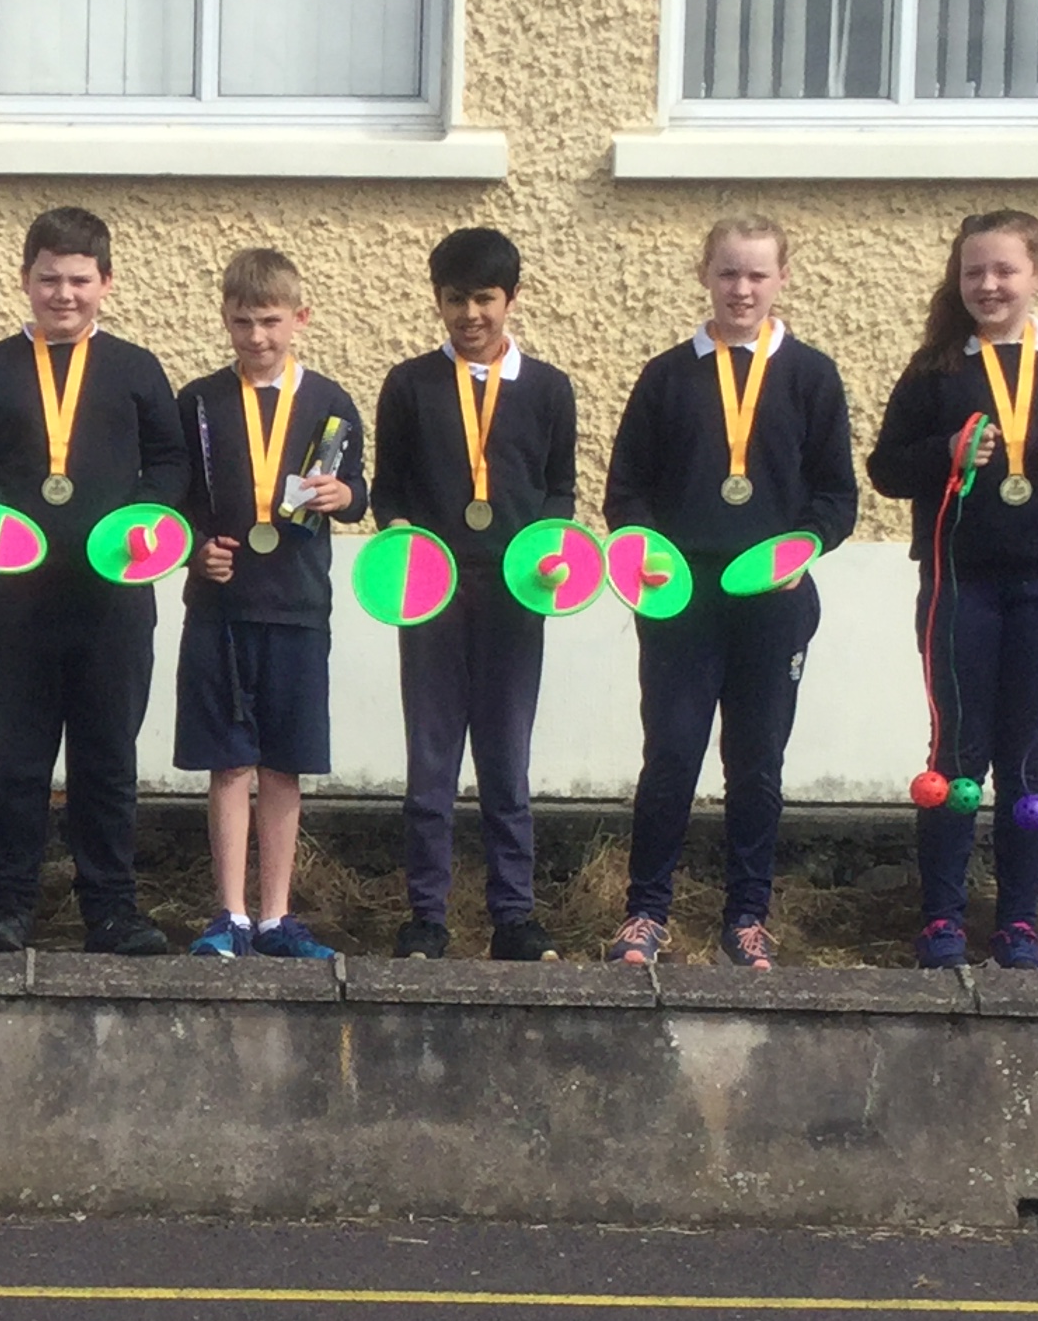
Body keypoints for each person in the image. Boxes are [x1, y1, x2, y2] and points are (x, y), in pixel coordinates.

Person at [601, 215, 860, 970]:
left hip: (773, 604)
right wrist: (644, 550)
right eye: (727, 273)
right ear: (704, 275)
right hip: (680, 604)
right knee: (671, 758)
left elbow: (836, 497)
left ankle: (747, 918)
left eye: (756, 275)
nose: (741, 289)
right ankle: (646, 913)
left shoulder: (811, 376)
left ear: (782, 279)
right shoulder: (666, 377)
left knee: (757, 765)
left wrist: (805, 545)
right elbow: (627, 492)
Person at [0, 205, 188, 955]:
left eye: (79, 280)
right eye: (49, 279)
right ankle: (8, 907)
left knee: (106, 759)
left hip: (113, 599)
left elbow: (171, 463)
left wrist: (144, 520)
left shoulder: (136, 369)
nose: (64, 294)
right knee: (17, 760)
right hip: (14, 601)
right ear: (26, 279)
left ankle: (111, 910)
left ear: (106, 282)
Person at [868, 211, 1038, 970]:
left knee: (1029, 758)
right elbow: (885, 468)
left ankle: (1020, 921)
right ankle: (942, 915)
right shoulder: (935, 368)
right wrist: (943, 451)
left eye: (1005, 270)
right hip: (958, 583)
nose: (989, 284)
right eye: (974, 271)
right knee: (957, 753)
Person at [369, 226, 579, 960]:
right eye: (455, 299)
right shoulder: (409, 385)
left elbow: (559, 491)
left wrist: (551, 548)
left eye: (484, 299)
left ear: (511, 298)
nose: (470, 315)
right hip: (431, 595)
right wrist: (399, 531)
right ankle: (426, 916)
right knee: (430, 760)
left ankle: (513, 916)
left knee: (505, 758)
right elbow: (388, 490)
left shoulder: (548, 389)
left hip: (516, 597)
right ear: (437, 300)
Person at [173, 247, 365, 961]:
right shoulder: (199, 401)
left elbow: (357, 489)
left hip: (298, 607)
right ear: (225, 319)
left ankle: (278, 916)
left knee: (284, 764)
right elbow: (175, 501)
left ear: (299, 318)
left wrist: (346, 495)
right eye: (243, 322)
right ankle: (230, 913)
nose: (256, 337)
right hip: (221, 607)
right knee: (228, 764)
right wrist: (197, 548)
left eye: (271, 321)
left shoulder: (331, 402)